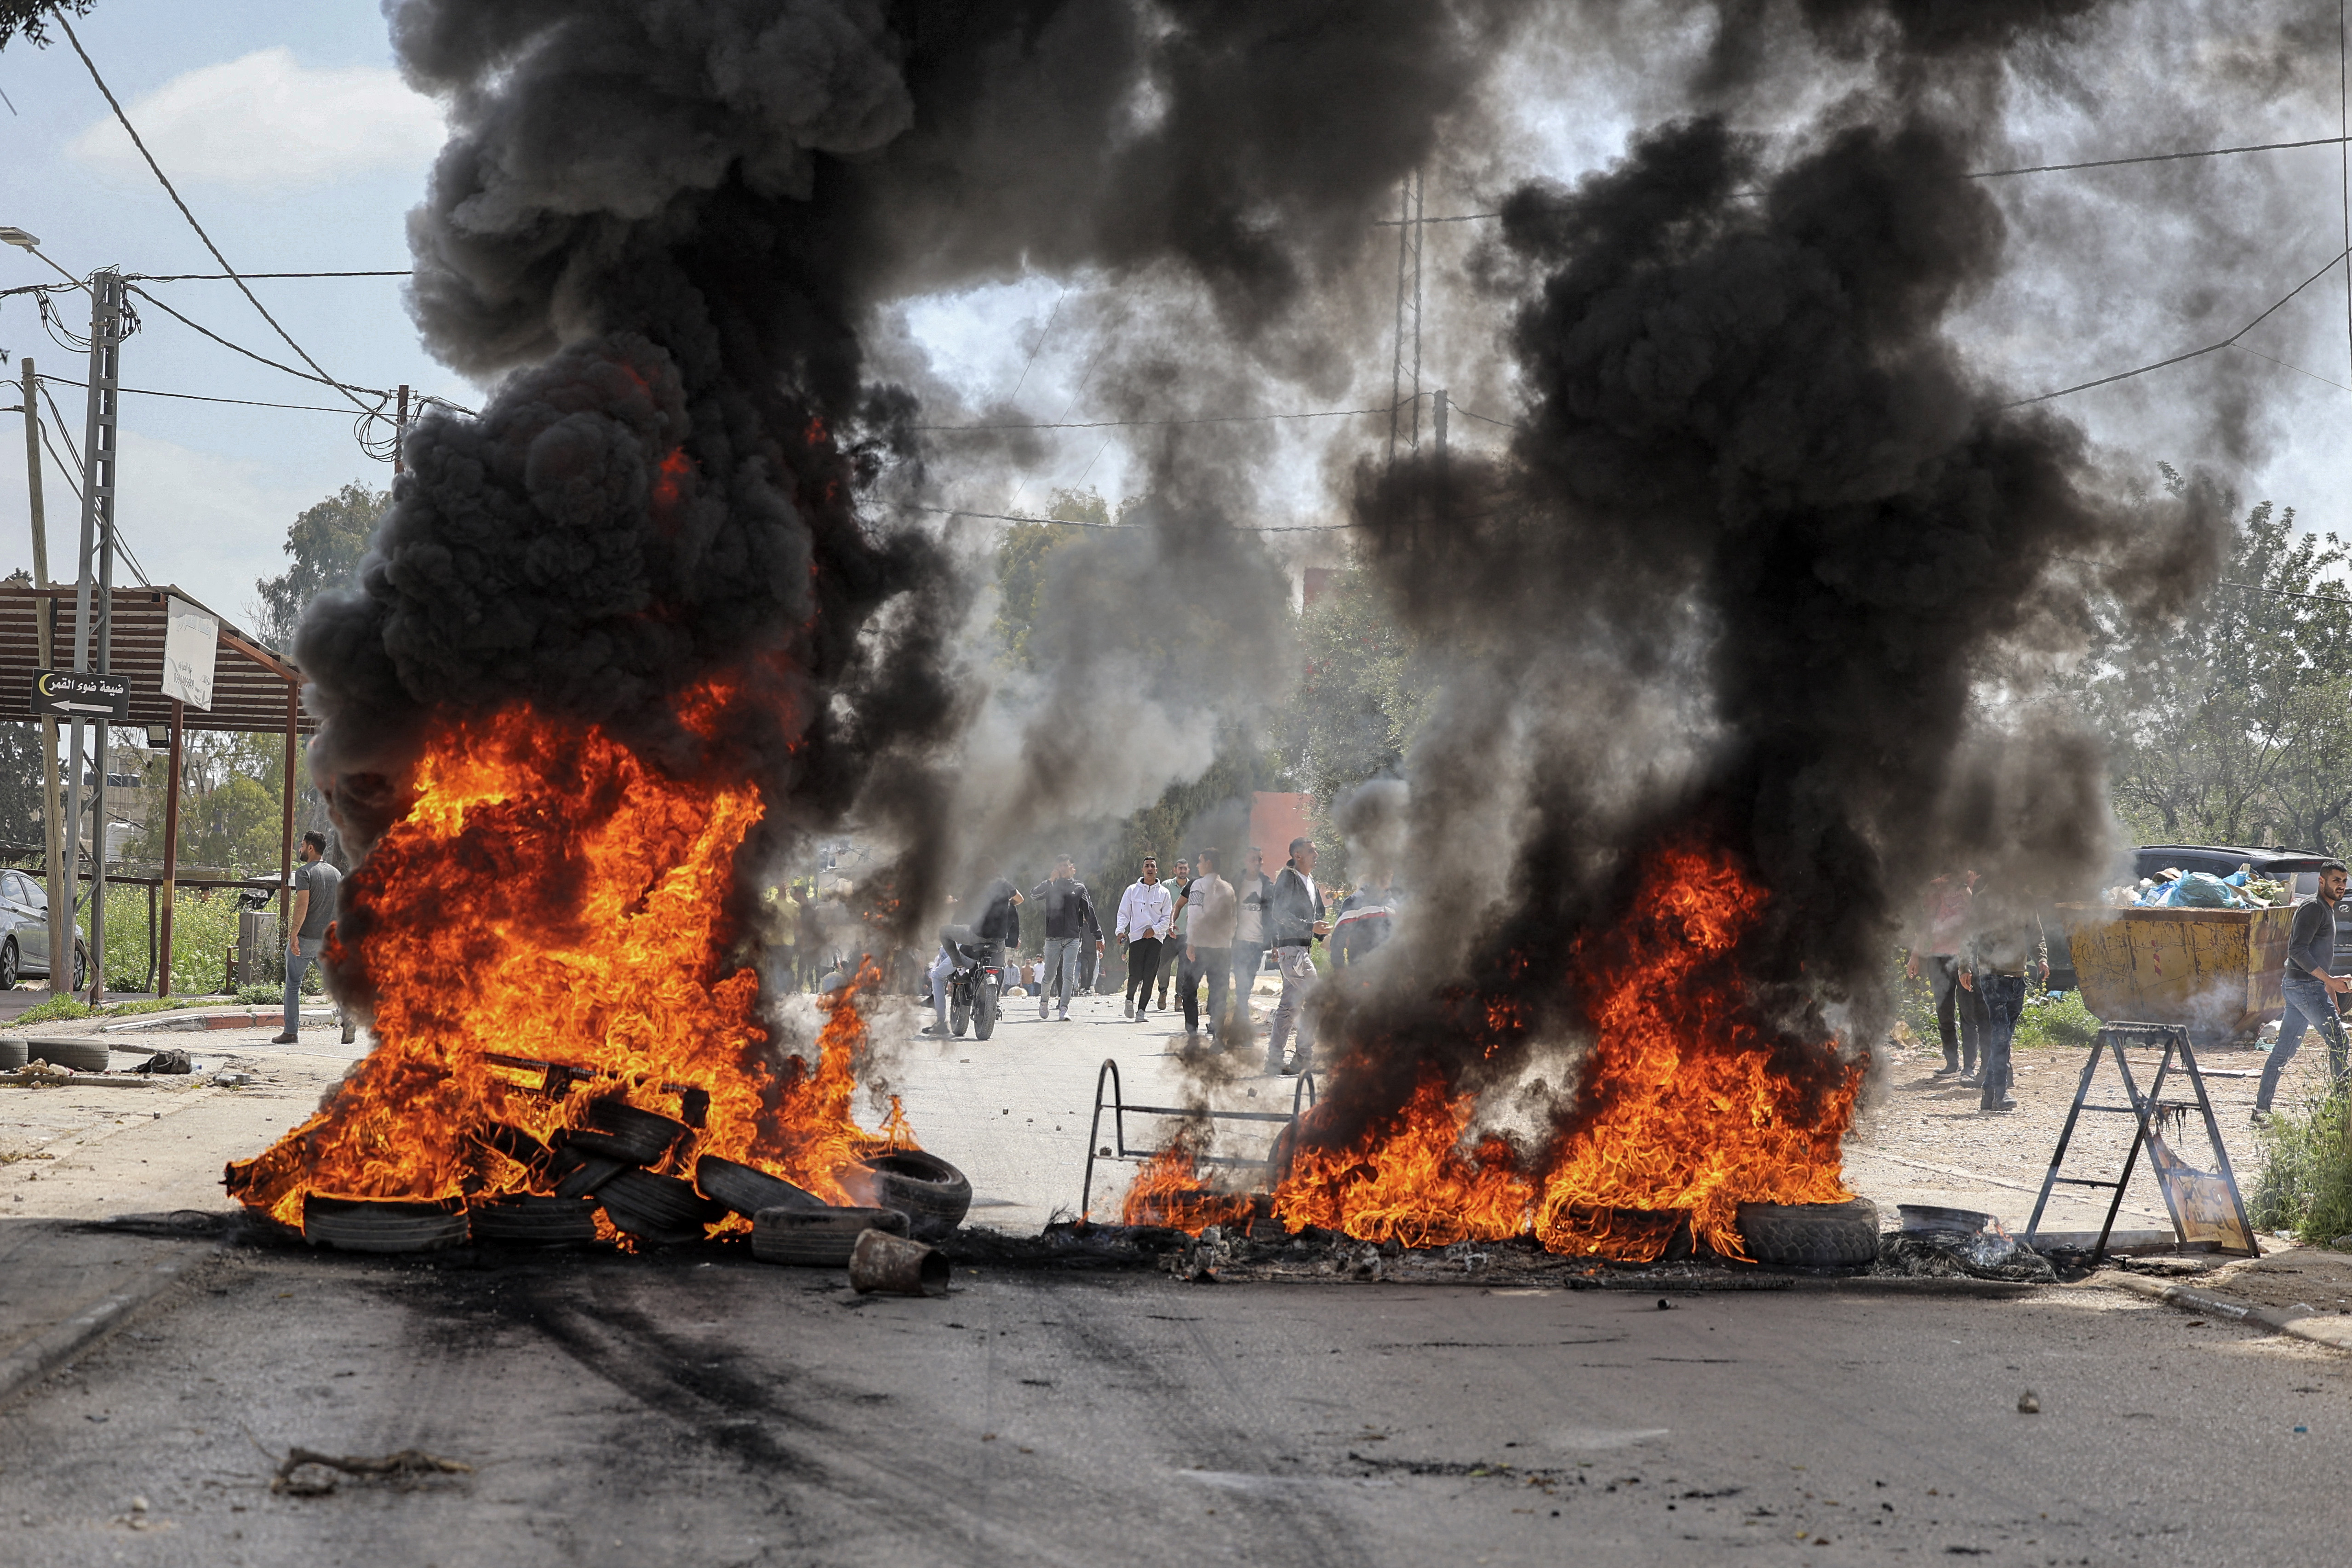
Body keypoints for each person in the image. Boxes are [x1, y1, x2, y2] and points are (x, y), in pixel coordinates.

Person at [2257, 858, 2352, 1120]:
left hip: (2302, 987)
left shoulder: (2326, 908)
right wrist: (2329, 982)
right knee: (2340, 1042)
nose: (2341, 886)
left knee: (2284, 1050)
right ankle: (2341, 1113)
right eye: (2336, 881)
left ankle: (2261, 1110)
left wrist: (2331, 983)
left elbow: (2315, 954)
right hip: (2304, 987)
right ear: (2321, 882)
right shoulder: (2313, 908)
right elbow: (2297, 950)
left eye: (2344, 881)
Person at [1957, 886, 2045, 1113]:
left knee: (2005, 1036)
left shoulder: (2025, 897)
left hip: (2017, 977)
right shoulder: (1985, 899)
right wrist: (1964, 967)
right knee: (2001, 1034)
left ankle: (1988, 1094)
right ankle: (2001, 1091)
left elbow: (2035, 933)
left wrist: (2042, 959)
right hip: (1991, 976)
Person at [922, 864, 1023, 1038]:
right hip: (997, 952)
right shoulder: (1009, 905)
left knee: (938, 975)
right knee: (999, 969)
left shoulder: (975, 896)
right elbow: (1019, 902)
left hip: (971, 951)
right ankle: (995, 1001)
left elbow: (958, 910)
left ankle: (941, 1020)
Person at [272, 830, 350, 1046]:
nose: (300, 849)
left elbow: (302, 904)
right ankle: (348, 1019)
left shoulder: (304, 873)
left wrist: (294, 934)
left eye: (302, 845)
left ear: (311, 848)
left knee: (293, 985)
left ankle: (290, 1032)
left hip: (306, 938)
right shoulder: (336, 874)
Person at [1265, 836, 1330, 1075]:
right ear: (1297, 855)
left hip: (1300, 950)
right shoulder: (1288, 877)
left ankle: (1274, 1060)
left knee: (1288, 1007)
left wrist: (1324, 937)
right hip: (1292, 952)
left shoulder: (1311, 881)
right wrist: (1310, 927)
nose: (1317, 855)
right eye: (1311, 851)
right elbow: (1279, 913)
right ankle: (1303, 1057)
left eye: (1316, 850)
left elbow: (1317, 918)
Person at [1906, 872, 1980, 1079]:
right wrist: (1915, 955)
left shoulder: (1970, 884)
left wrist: (1969, 886)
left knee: (1968, 1014)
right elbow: (1925, 925)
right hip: (1938, 958)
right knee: (1944, 1012)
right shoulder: (1935, 891)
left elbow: (1977, 917)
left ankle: (1969, 1067)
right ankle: (1952, 1064)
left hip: (1963, 959)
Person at [1175, 848, 1237, 1044]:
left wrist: (1191, 943)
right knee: (1219, 991)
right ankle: (1218, 1036)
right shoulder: (1228, 888)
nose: (1198, 865)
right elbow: (1234, 921)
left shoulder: (1198, 886)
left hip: (1201, 946)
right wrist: (1227, 942)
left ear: (1209, 863)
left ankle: (1193, 1034)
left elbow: (1194, 915)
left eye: (1200, 861)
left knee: (1189, 989)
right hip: (1222, 948)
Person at [1032, 855, 1102, 1022]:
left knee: (1068, 975)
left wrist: (1098, 935)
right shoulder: (1050, 886)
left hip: (1072, 937)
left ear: (1073, 868)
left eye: (1066, 866)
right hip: (1053, 937)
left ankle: (1064, 1008)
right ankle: (1044, 1001)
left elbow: (1089, 912)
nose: (1063, 869)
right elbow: (1034, 895)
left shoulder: (1079, 888)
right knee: (1049, 975)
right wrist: (1050, 880)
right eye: (1060, 866)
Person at [1115, 856, 1174, 1021]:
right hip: (1136, 938)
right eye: (1147, 866)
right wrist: (1120, 931)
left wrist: (1154, 930)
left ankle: (1142, 1011)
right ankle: (1130, 999)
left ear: (1156, 870)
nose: (1150, 869)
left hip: (1156, 939)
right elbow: (1124, 913)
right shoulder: (1132, 890)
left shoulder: (1164, 893)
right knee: (1135, 975)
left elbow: (1167, 917)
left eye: (1153, 866)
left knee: (1150, 975)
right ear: (1142, 870)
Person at [1228, 845, 1273, 1043]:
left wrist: (1274, 942)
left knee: (1249, 981)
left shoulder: (1267, 884)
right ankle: (1242, 1023)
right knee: (1241, 982)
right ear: (1246, 861)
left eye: (1260, 859)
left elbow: (1272, 915)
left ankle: (1239, 1018)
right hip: (1238, 941)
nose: (1258, 862)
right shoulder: (1237, 882)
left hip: (1257, 942)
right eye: (1254, 859)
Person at [1155, 856, 1191, 1012]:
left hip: (1187, 935)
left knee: (1184, 969)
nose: (1182, 871)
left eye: (1185, 869)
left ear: (1188, 870)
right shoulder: (1166, 886)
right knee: (1163, 967)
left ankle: (1179, 999)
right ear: (1175, 870)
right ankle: (1163, 992)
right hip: (1168, 935)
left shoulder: (1193, 886)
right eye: (1180, 869)